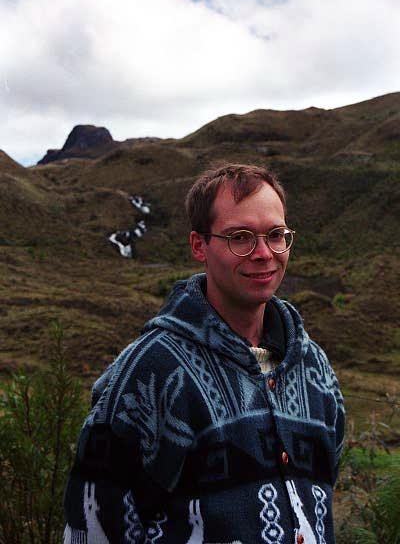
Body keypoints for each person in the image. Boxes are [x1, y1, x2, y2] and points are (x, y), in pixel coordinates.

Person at [64, 163, 345, 543]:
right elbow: (93, 525)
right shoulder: (150, 372)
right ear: (200, 245)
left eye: (276, 235)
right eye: (240, 237)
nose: (264, 253)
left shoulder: (314, 368)